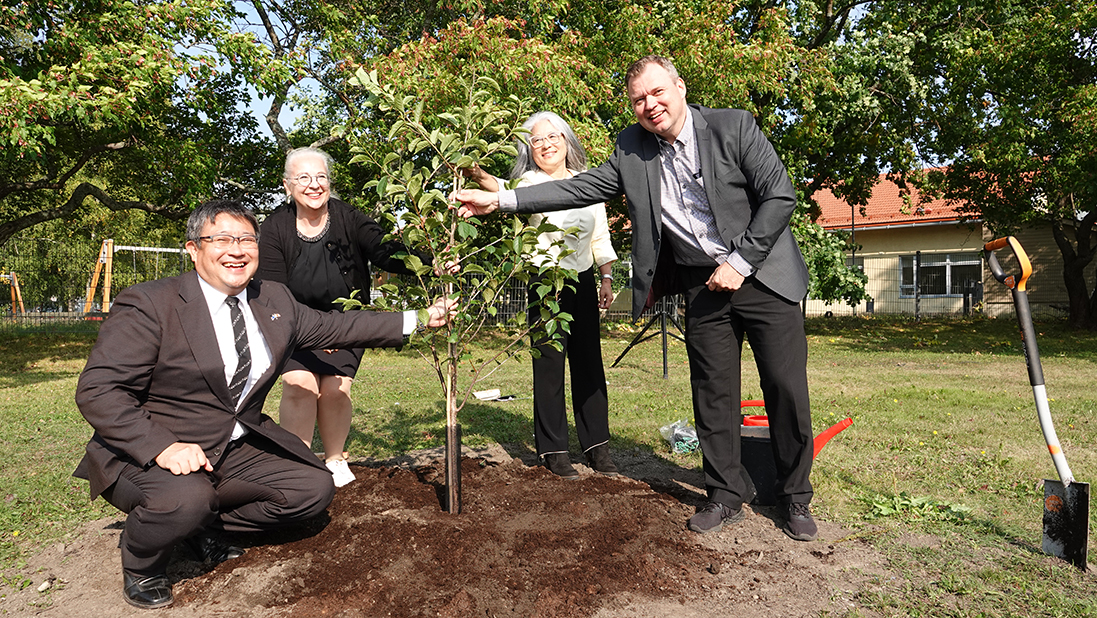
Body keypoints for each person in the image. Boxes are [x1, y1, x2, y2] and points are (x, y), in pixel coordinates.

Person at [456, 55, 817, 541]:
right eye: (639, 100)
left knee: (784, 389)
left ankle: (795, 497)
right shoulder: (632, 147)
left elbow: (779, 196)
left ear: (680, 87)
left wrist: (740, 261)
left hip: (763, 274)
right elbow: (581, 187)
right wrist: (502, 200)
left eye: (657, 92)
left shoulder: (733, 127)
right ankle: (725, 493)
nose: (650, 105)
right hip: (702, 284)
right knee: (712, 393)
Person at [73, 199, 454, 610]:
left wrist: (419, 318)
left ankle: (200, 528)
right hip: (147, 454)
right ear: (193, 249)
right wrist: (163, 446)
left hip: (230, 447)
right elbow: (99, 390)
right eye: (221, 239)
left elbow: (338, 325)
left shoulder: (272, 300)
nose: (236, 250)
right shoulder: (151, 303)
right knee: (186, 500)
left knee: (312, 489)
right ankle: (143, 563)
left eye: (246, 239)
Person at [258, 147, 423, 488]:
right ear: (287, 185)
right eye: (304, 177)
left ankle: (334, 458)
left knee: (335, 388)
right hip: (295, 326)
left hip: (347, 323)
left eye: (321, 176)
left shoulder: (348, 217)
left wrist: (430, 260)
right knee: (300, 387)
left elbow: (384, 250)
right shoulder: (274, 227)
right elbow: (273, 290)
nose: (314, 184)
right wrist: (314, 332)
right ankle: (298, 463)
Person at [467, 111, 619, 479]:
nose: (546, 145)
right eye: (537, 140)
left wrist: (606, 277)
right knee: (550, 366)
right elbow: (502, 190)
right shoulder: (528, 183)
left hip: (583, 279)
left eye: (553, 137)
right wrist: (476, 172)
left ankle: (597, 447)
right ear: (529, 149)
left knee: (589, 363)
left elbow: (599, 235)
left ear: (567, 141)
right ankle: (554, 450)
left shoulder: (587, 182)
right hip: (546, 282)